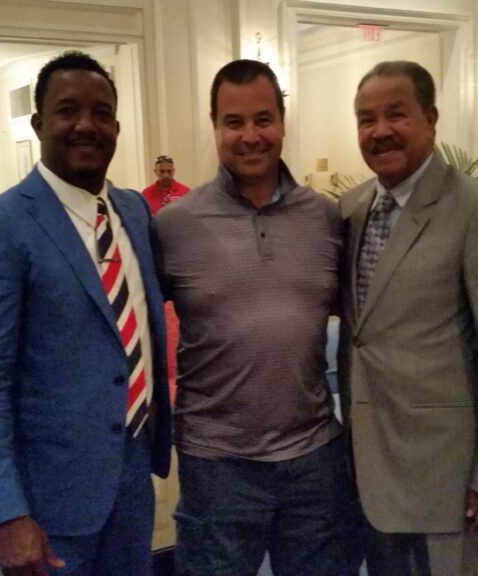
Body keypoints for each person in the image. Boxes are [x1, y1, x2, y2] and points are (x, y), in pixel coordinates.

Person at [0, 51, 172, 576]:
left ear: (117, 127)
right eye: (68, 110)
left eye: (101, 113)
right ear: (38, 123)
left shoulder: (134, 211)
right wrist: (6, 512)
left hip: (133, 476)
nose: (86, 125)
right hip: (49, 500)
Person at [153, 59, 360, 576]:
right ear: (215, 126)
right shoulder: (173, 225)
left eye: (263, 119)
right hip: (216, 464)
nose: (250, 136)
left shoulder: (327, 218)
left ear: (283, 122)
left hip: (315, 460)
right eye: (234, 122)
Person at [339, 61, 478, 576]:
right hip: (369, 467)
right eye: (366, 119)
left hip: (448, 477)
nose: (380, 131)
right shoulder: (351, 209)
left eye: (396, 114)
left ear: (430, 118)